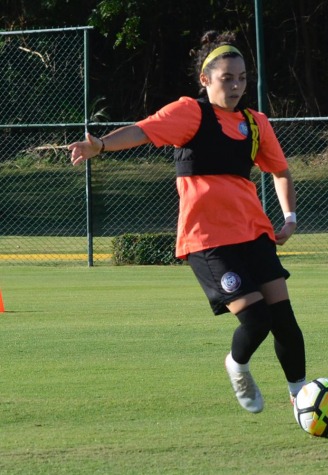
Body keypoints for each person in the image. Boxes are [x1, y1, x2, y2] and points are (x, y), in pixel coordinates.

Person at [68, 31, 307, 414]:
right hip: (208, 240)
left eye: (242, 78)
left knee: (285, 320)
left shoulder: (255, 122)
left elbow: (280, 171)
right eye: (227, 78)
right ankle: (237, 364)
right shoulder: (190, 113)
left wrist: (290, 218)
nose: (236, 85)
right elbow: (142, 130)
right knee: (257, 319)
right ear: (205, 80)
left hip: (254, 232)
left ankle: (302, 397)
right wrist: (101, 145)